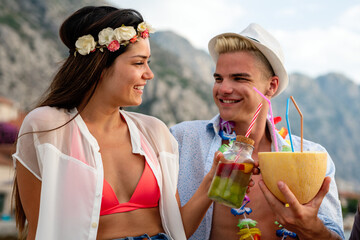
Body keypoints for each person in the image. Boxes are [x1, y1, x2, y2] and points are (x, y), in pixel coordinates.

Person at [12, 6, 220, 240]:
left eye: (148, 62)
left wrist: (212, 181)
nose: (149, 74)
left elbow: (177, 229)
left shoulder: (155, 132)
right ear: (100, 65)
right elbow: (40, 230)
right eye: (139, 63)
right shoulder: (47, 127)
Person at [170, 23, 345, 240]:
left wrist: (312, 228)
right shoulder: (181, 140)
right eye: (218, 78)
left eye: (239, 78)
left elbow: (336, 235)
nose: (223, 88)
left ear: (271, 86)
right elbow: (156, 228)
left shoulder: (312, 155)